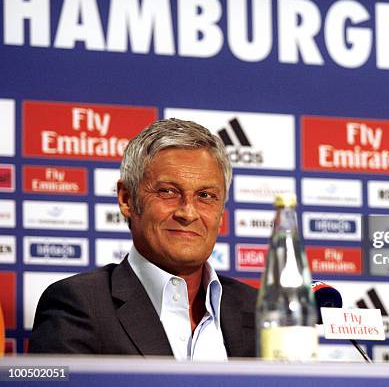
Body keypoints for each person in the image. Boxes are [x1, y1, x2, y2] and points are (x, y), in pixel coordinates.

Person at [29, 118, 256, 359]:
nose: (188, 212)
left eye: (205, 195)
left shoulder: (258, 309)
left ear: (221, 212)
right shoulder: (79, 304)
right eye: (168, 191)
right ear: (127, 199)